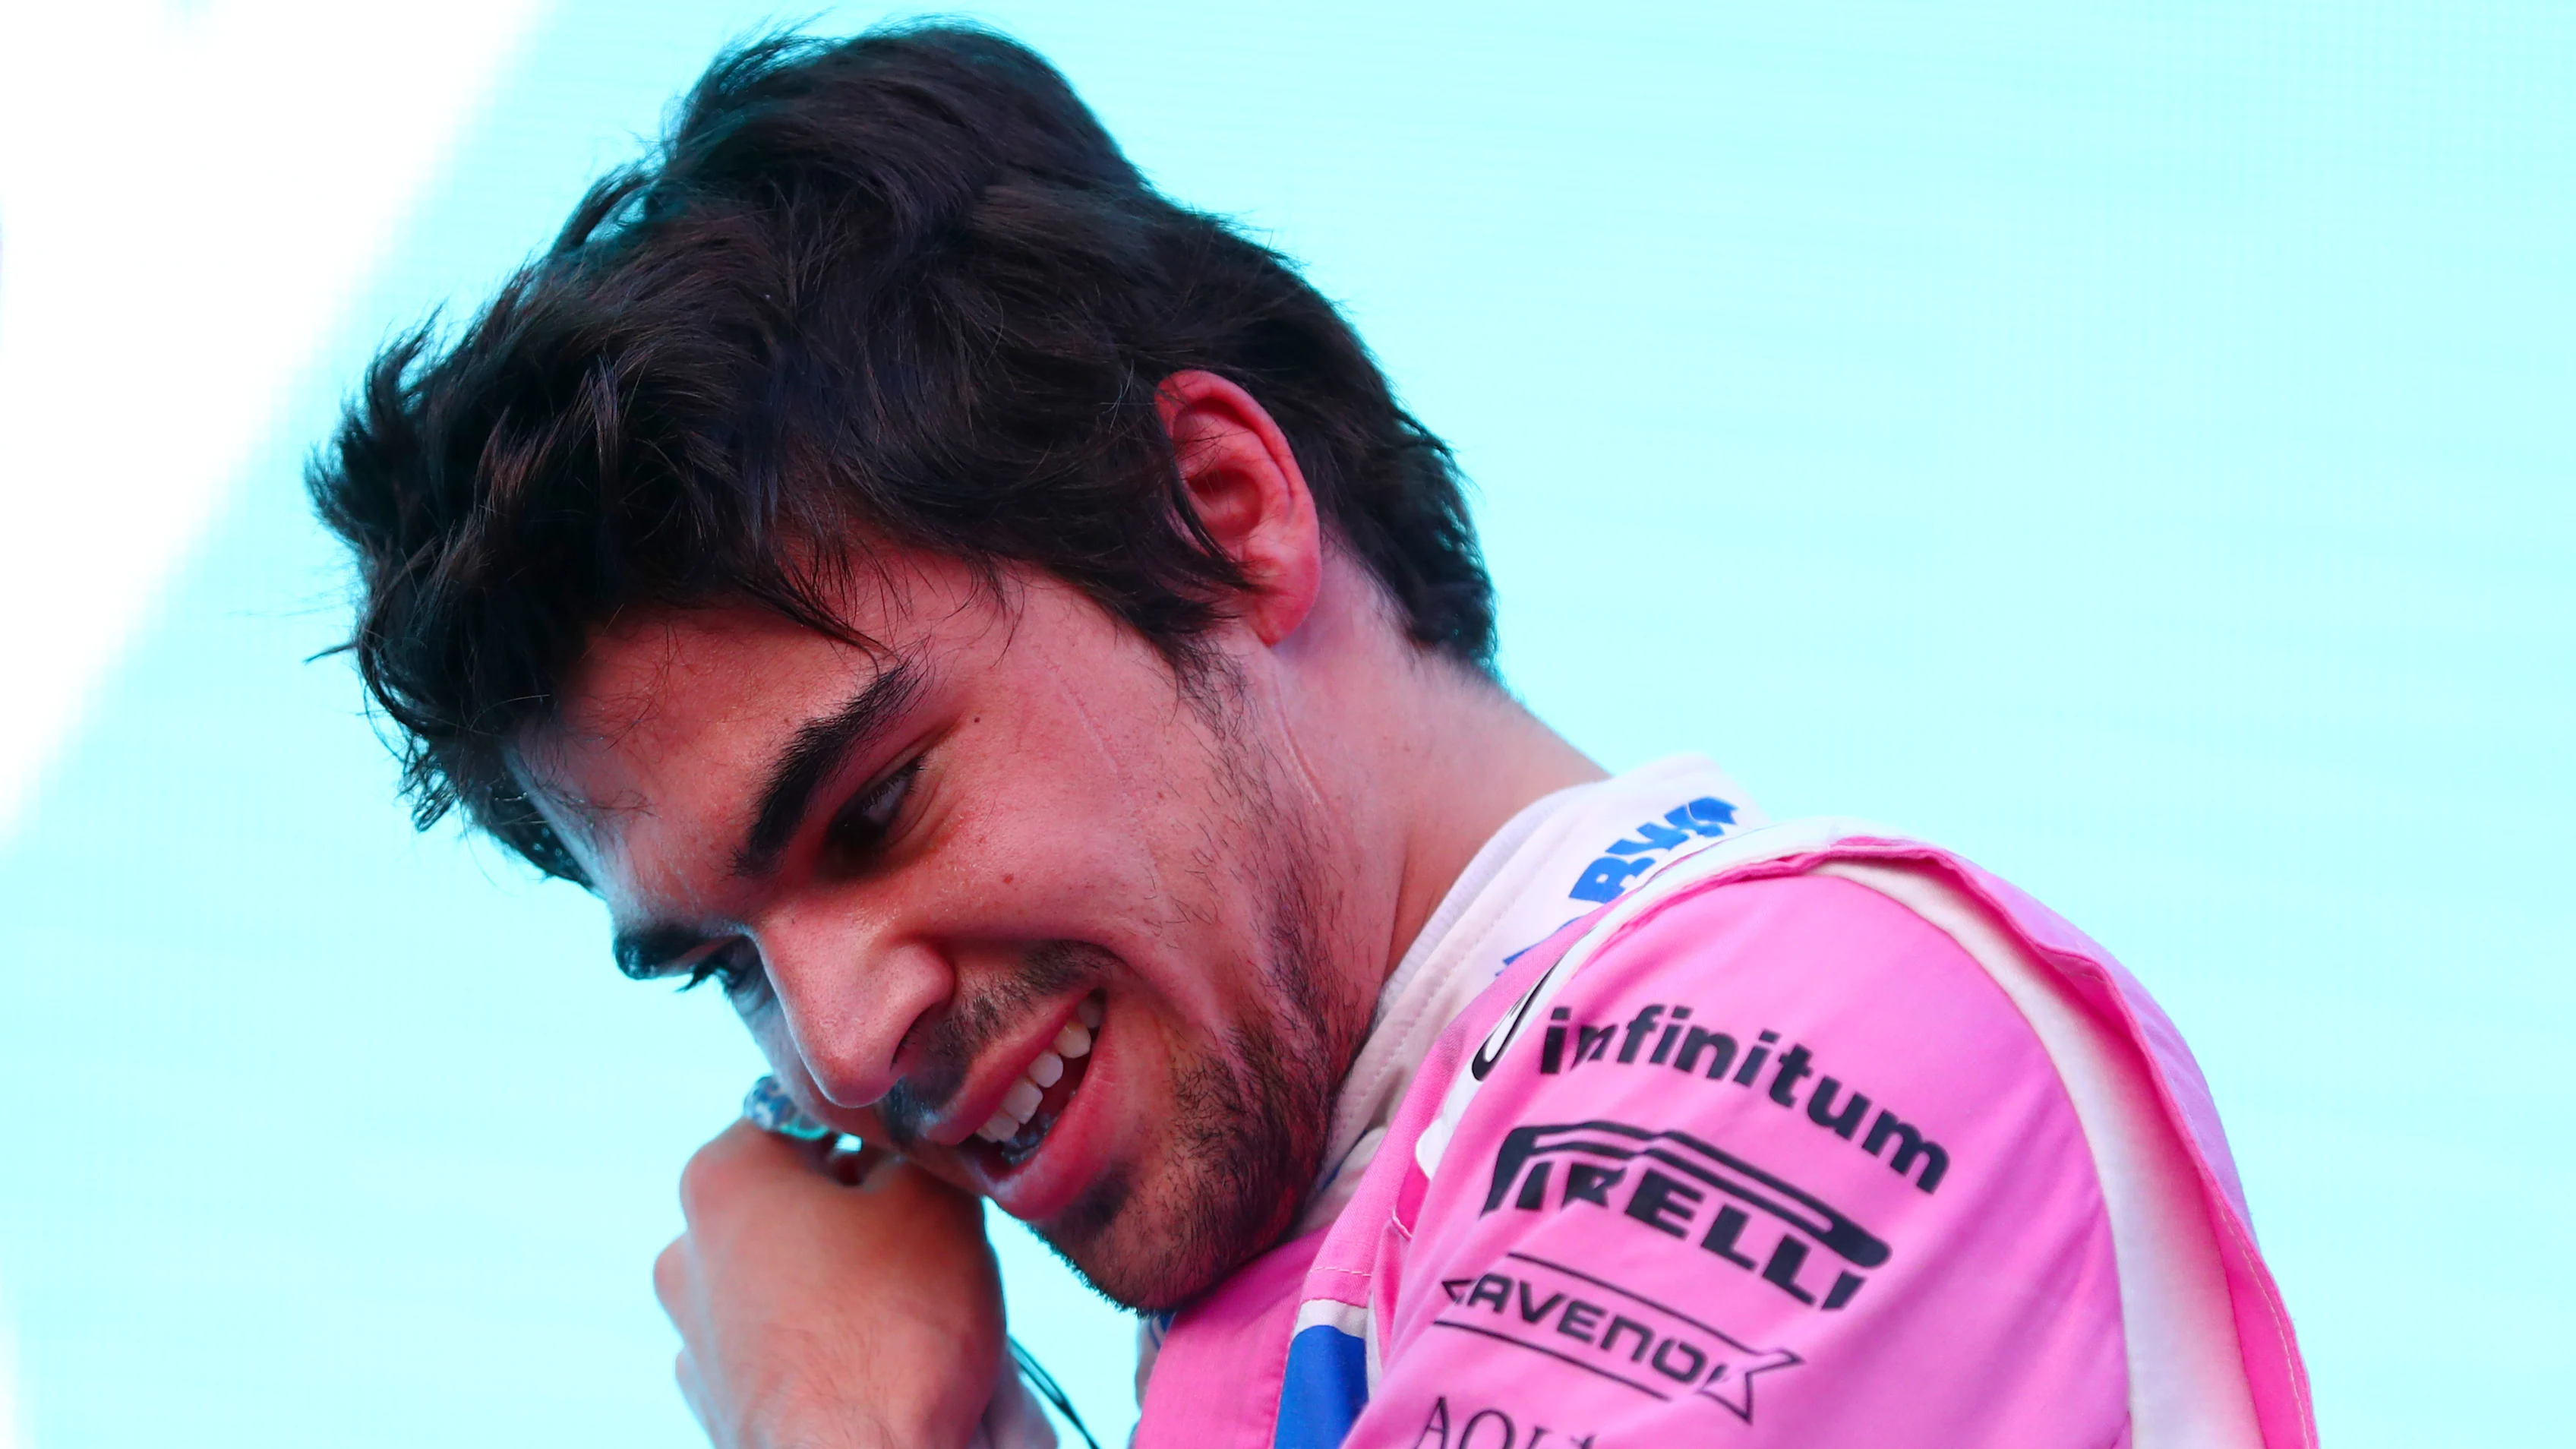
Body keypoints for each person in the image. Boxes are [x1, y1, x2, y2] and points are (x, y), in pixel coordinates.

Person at [308, 24, 2313, 1449]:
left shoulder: (1799, 1021)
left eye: (876, 805)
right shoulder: (1336, 1258)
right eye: (729, 964)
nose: (837, 1044)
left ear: (1218, 505)